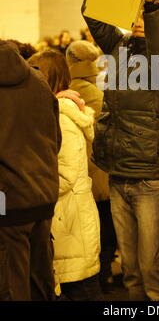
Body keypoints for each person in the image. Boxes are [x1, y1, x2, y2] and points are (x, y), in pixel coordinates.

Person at [81, 0, 159, 301]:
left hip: (148, 179)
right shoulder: (118, 47)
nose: (138, 18)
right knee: (129, 271)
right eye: (136, 11)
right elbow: (93, 16)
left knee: (151, 270)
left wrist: (153, 4)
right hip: (118, 175)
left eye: (146, 14)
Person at [28, 49, 103, 301]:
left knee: (83, 288)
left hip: (70, 219)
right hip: (67, 216)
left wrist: (33, 187)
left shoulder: (61, 116)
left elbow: (67, 173)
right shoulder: (55, 110)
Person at [0, 41, 61, 301]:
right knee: (40, 278)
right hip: (43, 192)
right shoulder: (39, 81)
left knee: (12, 283)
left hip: (8, 200)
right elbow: (55, 139)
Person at [65, 40, 117, 292]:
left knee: (91, 227)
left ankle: (98, 273)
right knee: (105, 223)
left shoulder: (64, 92)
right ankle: (105, 272)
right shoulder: (99, 92)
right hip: (101, 169)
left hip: (79, 170)